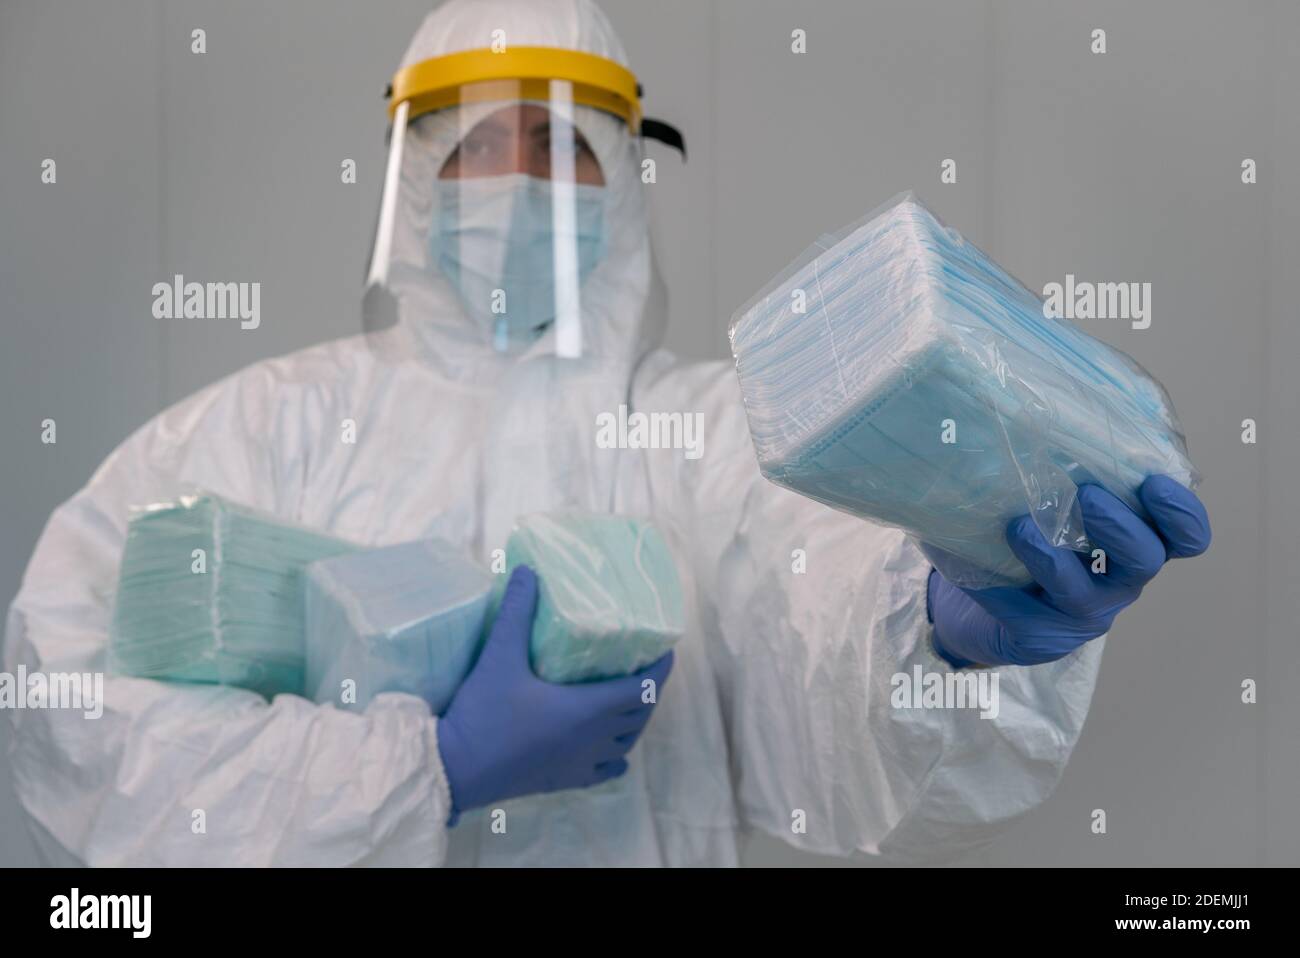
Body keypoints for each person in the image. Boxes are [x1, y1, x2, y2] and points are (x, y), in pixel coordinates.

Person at [4, 0, 1208, 867]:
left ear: (623, 186)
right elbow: (69, 724)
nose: (517, 180)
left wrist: (943, 632)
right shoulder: (255, 433)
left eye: (560, 147)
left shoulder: (707, 435)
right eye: (478, 145)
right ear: (412, 182)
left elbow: (817, 621)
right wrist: (419, 773)